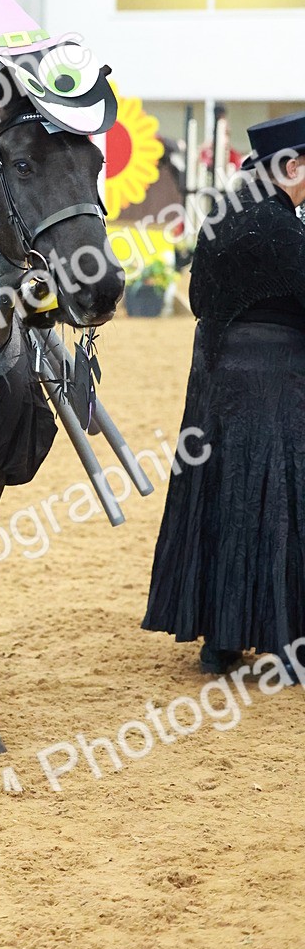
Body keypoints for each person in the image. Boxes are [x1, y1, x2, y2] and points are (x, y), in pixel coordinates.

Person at [143, 110, 305, 675]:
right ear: (292, 167)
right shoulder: (285, 229)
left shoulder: (222, 217)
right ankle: (285, 643)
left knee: (220, 498)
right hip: (278, 386)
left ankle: (221, 641)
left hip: (214, 386)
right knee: (278, 502)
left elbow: (199, 300)